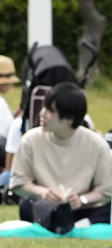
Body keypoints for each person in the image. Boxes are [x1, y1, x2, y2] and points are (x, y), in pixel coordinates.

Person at [10, 82, 112, 228]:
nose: (42, 113)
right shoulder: (31, 140)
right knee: (27, 206)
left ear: (69, 119)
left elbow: (106, 190)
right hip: (45, 207)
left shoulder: (97, 144)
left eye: (50, 111)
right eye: (44, 107)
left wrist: (82, 200)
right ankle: (72, 225)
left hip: (82, 209)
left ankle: (73, 225)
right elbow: (17, 183)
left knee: (108, 209)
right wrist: (43, 192)